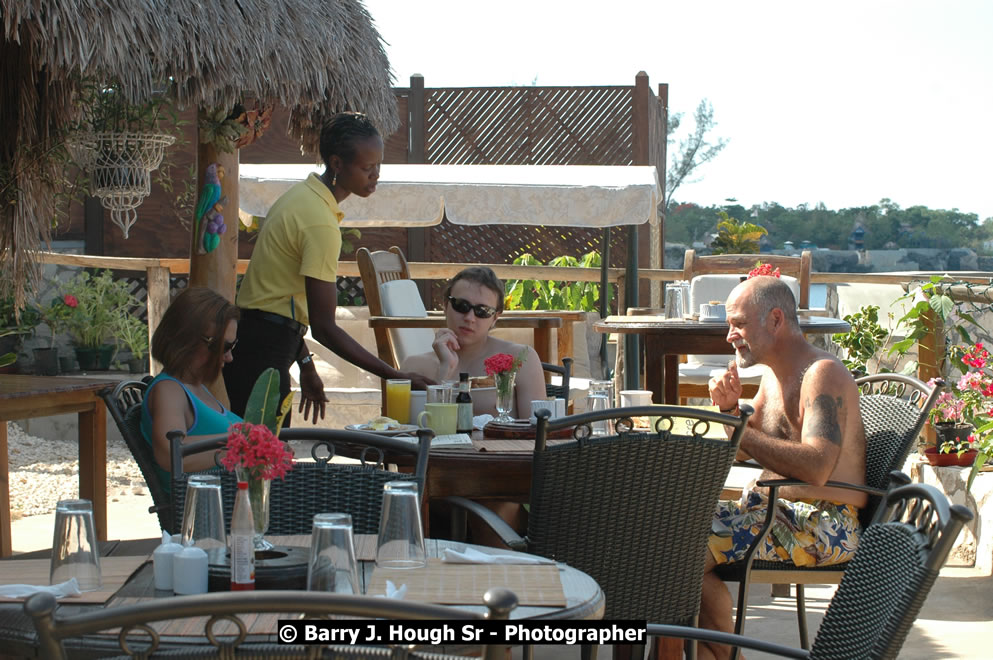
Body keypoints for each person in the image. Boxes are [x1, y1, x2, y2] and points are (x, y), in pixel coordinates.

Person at [224, 112, 432, 424]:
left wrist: (305, 363)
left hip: (261, 343)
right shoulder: (319, 222)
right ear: (336, 164)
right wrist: (393, 374)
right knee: (257, 467)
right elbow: (323, 326)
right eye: (366, 168)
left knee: (259, 463)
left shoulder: (301, 197)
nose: (375, 175)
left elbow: (279, 303)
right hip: (262, 356)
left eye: (378, 166)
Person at [699, 276, 866, 660]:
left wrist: (736, 430)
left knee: (677, 548)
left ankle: (720, 653)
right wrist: (728, 411)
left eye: (738, 323)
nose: (730, 336)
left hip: (823, 523)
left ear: (775, 319)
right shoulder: (772, 377)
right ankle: (709, 650)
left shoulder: (822, 374)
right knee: (667, 530)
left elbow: (818, 466)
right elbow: (745, 448)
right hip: (774, 513)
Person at [400, 266, 546, 418]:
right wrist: (444, 372)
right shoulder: (414, 367)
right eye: (461, 306)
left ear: (495, 318)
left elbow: (536, 431)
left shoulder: (520, 359)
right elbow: (402, 430)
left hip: (502, 442)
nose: (470, 318)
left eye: (482, 311)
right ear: (445, 306)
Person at [140, 288, 242, 491]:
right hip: (212, 511)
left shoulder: (196, 389)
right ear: (187, 340)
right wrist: (240, 446)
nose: (229, 357)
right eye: (223, 347)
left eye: (233, 346)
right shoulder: (169, 390)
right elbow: (170, 452)